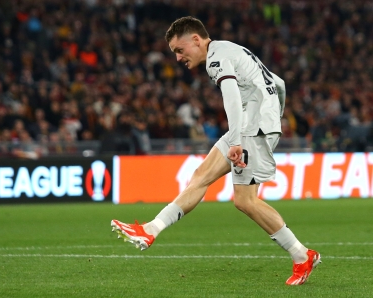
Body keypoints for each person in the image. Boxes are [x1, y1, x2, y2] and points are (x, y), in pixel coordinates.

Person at [110, 16, 320, 286]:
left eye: (179, 50)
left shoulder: (217, 57)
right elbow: (278, 83)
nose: (178, 58)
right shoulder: (231, 49)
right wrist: (272, 119)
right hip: (250, 125)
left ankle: (301, 254)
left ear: (196, 39)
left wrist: (241, 138)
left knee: (245, 201)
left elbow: (231, 95)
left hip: (249, 128)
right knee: (200, 176)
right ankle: (150, 229)